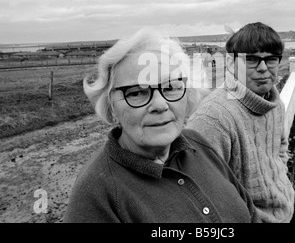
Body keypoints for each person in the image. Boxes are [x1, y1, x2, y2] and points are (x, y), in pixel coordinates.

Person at [63, 31, 259, 223]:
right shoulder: (95, 194)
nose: (159, 104)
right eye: (137, 92)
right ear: (111, 106)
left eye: (170, 88)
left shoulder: (199, 144)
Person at [187, 22, 295, 223]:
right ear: (232, 64)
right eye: (252, 60)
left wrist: (280, 179)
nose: (263, 68)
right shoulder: (213, 118)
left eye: (271, 59)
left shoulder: (274, 101)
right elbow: (197, 192)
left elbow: (280, 148)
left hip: (286, 208)